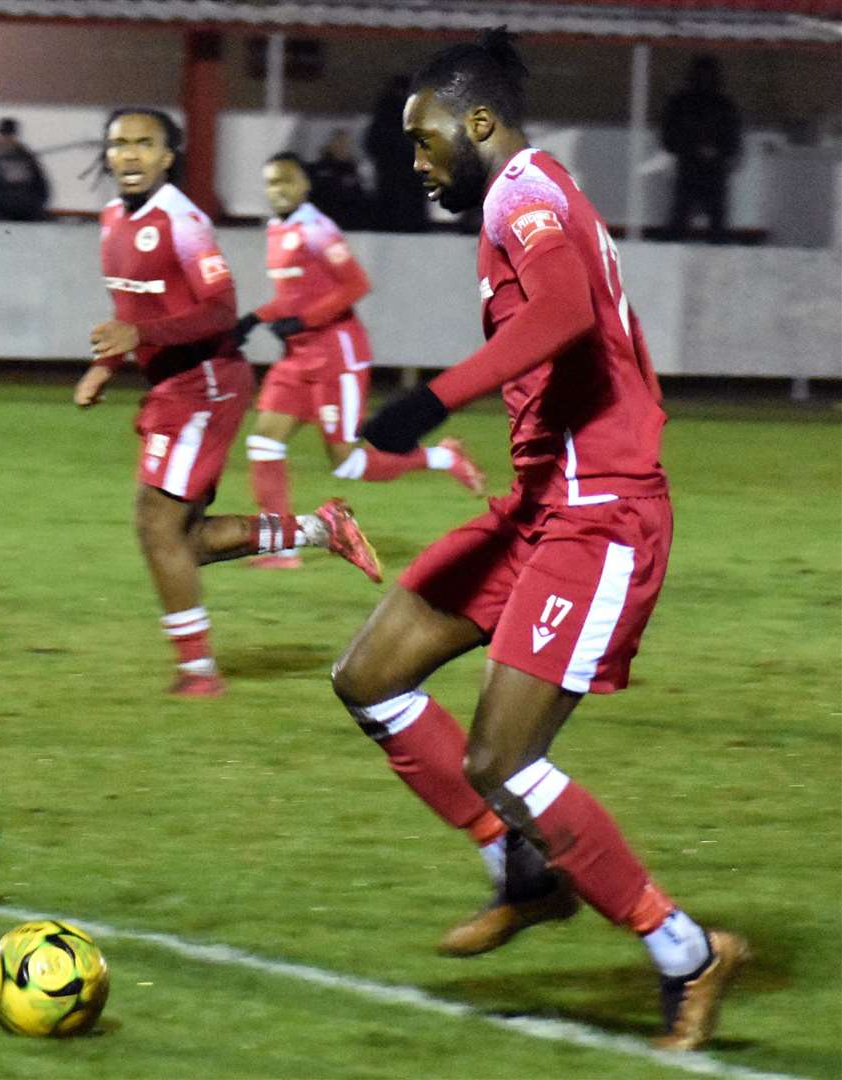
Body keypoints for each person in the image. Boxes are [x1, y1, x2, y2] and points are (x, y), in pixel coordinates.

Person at [333, 29, 748, 1051]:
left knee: (500, 758)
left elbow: (561, 311)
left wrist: (428, 401)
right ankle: (521, 873)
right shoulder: (522, 197)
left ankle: (685, 951)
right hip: (535, 506)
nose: (415, 162)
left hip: (599, 514)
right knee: (370, 677)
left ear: (476, 122)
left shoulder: (523, 194)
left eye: (424, 142)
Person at [74, 109, 384, 698]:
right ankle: (322, 530)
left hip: (206, 384)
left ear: (169, 157)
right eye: (120, 145)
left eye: (145, 144)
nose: (131, 155)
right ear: (108, 154)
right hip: (171, 386)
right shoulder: (113, 217)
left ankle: (198, 674)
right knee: (183, 540)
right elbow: (134, 308)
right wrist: (106, 364)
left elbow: (219, 311)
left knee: (154, 523)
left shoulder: (183, 220)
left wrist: (137, 340)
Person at [235, 153, 483, 570]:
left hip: (337, 356)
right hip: (298, 356)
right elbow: (294, 297)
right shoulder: (278, 229)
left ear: (304, 186)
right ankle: (282, 550)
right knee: (263, 441)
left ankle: (443, 457)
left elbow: (355, 284)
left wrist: (303, 319)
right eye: (271, 183)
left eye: (286, 181)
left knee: (348, 463)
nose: (277, 190)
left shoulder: (318, 229)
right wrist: (255, 318)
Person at [662, 55, 742, 243]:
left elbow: (732, 140)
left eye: (707, 75)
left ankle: (719, 261)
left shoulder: (723, 106)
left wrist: (715, 152)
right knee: (680, 219)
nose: (704, 80)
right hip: (689, 169)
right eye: (700, 75)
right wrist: (694, 149)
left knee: (716, 223)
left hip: (713, 171)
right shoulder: (680, 104)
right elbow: (669, 138)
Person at [363, 75, 429, 233]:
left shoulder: (383, 116)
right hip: (407, 182)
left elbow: (372, 145)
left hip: (390, 183)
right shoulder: (416, 118)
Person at [0, 117, 49, 221]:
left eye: (10, 135)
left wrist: (33, 205)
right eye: (4, 134)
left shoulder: (26, 157)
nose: (7, 138)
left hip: (29, 213)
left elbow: (41, 186)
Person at [304, 129, 370, 231]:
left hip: (349, 226)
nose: (342, 147)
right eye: (339, 143)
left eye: (345, 144)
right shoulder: (317, 169)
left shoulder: (353, 171)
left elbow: (360, 198)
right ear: (330, 145)